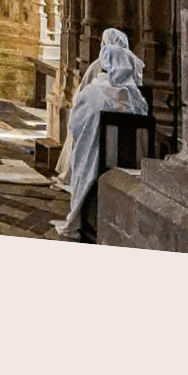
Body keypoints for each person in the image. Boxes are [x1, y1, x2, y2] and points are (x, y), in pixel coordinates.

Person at [55, 43, 148, 238]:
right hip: (130, 162)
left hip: (96, 161)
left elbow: (75, 125)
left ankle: (85, 219)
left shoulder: (92, 92)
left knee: (84, 154)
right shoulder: (136, 97)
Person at [57, 26, 145, 182]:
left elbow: (82, 93)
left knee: (82, 121)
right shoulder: (134, 64)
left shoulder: (99, 64)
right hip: (130, 124)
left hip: (102, 123)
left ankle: (82, 171)